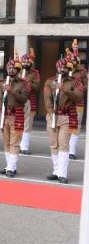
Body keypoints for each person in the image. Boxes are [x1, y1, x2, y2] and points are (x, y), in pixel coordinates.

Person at [43, 54, 85, 183]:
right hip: (52, 116)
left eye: (65, 67)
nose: (62, 69)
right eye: (60, 67)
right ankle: (56, 171)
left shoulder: (75, 81)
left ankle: (63, 174)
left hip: (67, 116)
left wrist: (65, 90)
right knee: (53, 144)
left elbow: (79, 97)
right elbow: (47, 99)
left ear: (69, 68)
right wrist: (51, 113)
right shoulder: (50, 81)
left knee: (64, 144)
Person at [0, 55, 31, 178]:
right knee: (6, 142)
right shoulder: (1, 83)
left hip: (16, 114)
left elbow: (24, 99)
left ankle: (11, 168)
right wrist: (0, 113)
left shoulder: (24, 83)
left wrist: (11, 91)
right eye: (9, 68)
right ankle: (9, 166)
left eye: (13, 68)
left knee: (15, 143)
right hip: (4, 115)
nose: (11, 70)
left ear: (18, 70)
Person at [19, 49, 41, 155]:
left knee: (27, 124)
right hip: (18, 100)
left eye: (27, 62)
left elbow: (37, 88)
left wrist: (26, 82)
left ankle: (24, 146)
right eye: (24, 62)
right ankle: (17, 145)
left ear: (31, 63)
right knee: (18, 123)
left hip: (29, 101)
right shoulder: (17, 72)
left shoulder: (35, 74)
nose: (25, 64)